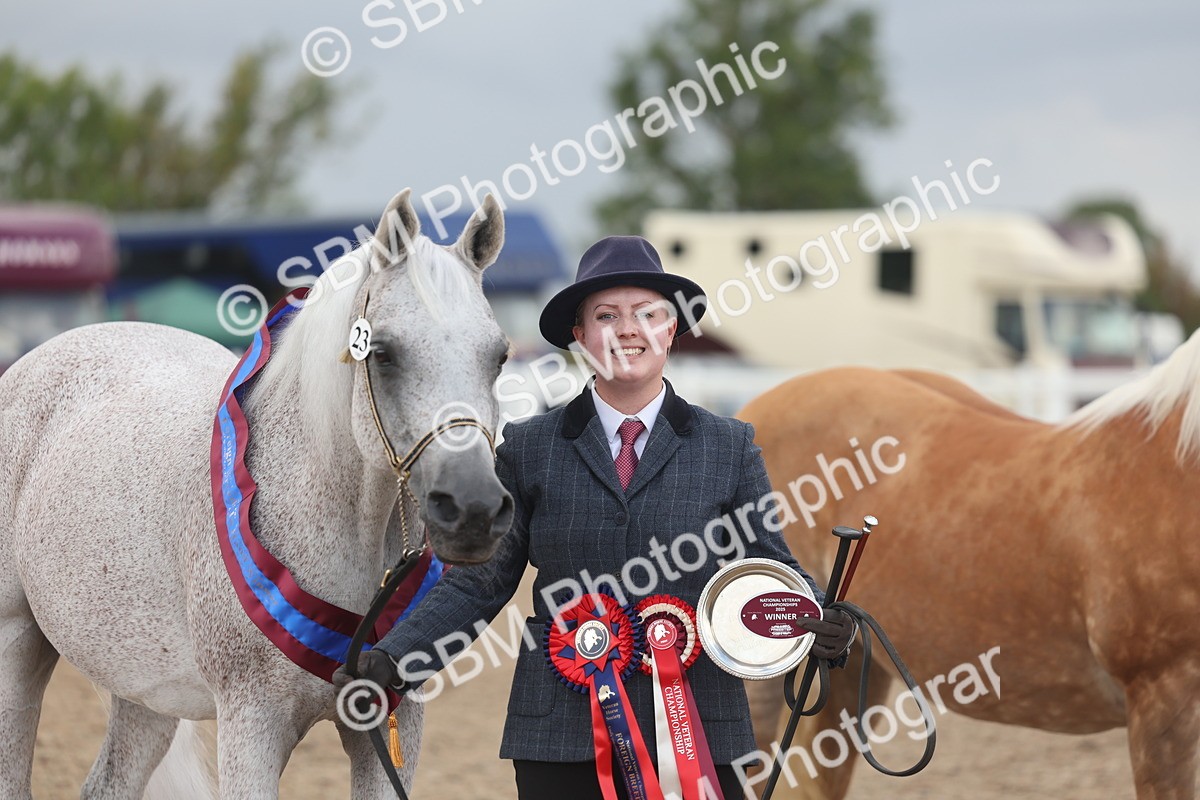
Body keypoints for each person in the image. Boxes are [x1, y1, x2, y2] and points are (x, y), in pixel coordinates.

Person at [335, 235, 855, 798]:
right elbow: (479, 587)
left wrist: (815, 615)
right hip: (560, 736)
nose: (628, 330)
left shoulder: (729, 447)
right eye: (606, 316)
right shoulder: (529, 448)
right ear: (580, 336)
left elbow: (766, 566)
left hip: (699, 732)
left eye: (648, 314)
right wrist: (394, 660)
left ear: (671, 330)